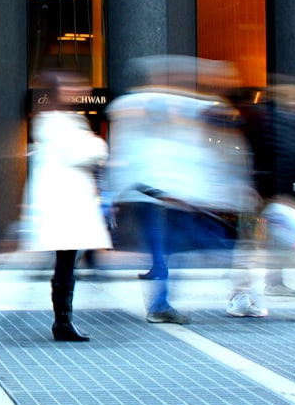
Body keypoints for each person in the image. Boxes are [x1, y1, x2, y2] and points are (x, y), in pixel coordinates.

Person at [107, 56, 258, 324]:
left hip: (167, 192)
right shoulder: (155, 106)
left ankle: (160, 302)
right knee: (171, 249)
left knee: (169, 250)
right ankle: (160, 304)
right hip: (157, 192)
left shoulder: (163, 107)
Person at [20, 70, 112, 341]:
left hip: (66, 207)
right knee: (65, 263)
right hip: (63, 207)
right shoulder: (56, 123)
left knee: (66, 262)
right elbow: (81, 152)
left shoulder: (61, 122)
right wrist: (97, 144)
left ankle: (63, 321)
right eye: (69, 86)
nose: (76, 90)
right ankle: (62, 322)